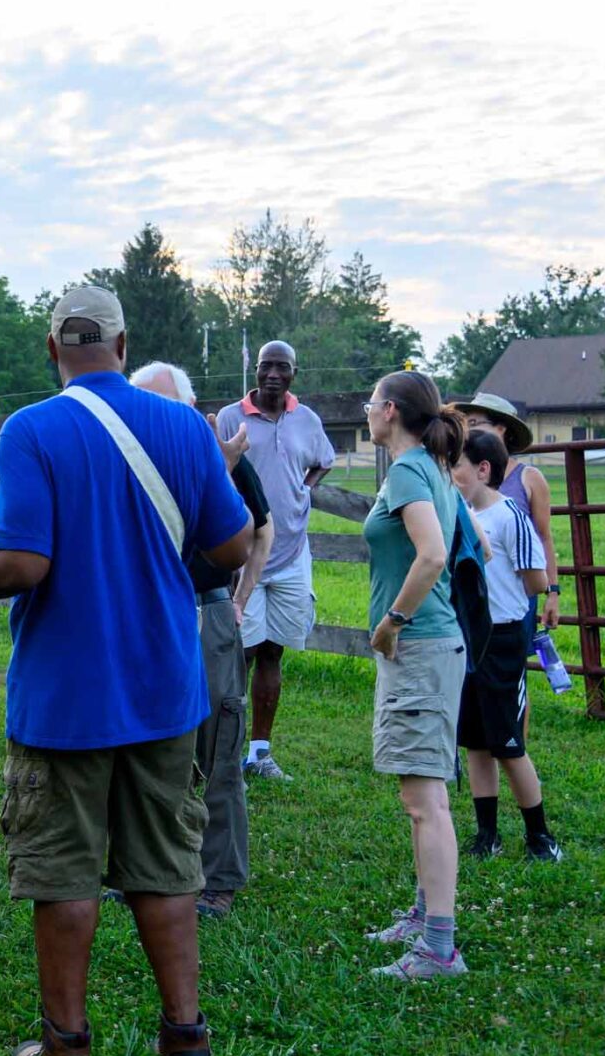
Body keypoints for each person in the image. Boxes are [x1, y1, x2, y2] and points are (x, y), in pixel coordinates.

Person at [0, 286, 252, 1056]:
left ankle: (65, 1051)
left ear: (51, 351)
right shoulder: (183, 424)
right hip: (164, 686)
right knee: (168, 868)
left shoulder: (33, 430)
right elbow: (236, 544)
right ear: (122, 341)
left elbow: (25, 562)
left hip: (65, 696)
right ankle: (186, 1038)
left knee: (64, 873)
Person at [132, 361, 272, 921]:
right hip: (145, 618)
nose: (151, 416)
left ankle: (219, 880)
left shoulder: (218, 455)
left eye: (163, 404)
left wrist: (239, 602)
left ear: (188, 408)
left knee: (216, 749)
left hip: (203, 613)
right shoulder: (125, 458)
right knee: (149, 749)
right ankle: (153, 870)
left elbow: (261, 531)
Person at [359, 370, 470, 979]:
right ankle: (424, 914)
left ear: (392, 411)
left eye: (371, 403)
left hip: (421, 648)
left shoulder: (409, 470)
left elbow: (432, 554)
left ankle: (438, 948)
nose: (366, 410)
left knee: (426, 802)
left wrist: (392, 621)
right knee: (423, 796)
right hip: (429, 651)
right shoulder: (428, 466)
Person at [213, 340, 336, 781]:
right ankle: (224, 753)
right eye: (266, 367)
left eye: (281, 368)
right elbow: (216, 470)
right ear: (256, 371)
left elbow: (324, 459)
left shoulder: (306, 419)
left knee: (272, 653)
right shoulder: (231, 417)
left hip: (290, 556)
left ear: (293, 374)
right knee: (237, 654)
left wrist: (305, 486)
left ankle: (260, 753)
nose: (272, 375)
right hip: (245, 556)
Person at [450, 430, 564, 862]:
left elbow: (534, 578)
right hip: (469, 638)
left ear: (482, 469)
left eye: (457, 465)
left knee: (509, 744)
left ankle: (540, 836)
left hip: (503, 638)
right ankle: (487, 835)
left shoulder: (509, 515)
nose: (451, 472)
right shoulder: (458, 512)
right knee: (477, 743)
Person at [454, 392, 562, 635]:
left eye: (475, 423)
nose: (468, 431)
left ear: (501, 428)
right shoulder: (462, 473)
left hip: (516, 590)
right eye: (465, 424)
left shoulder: (529, 477)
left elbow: (544, 536)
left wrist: (552, 592)